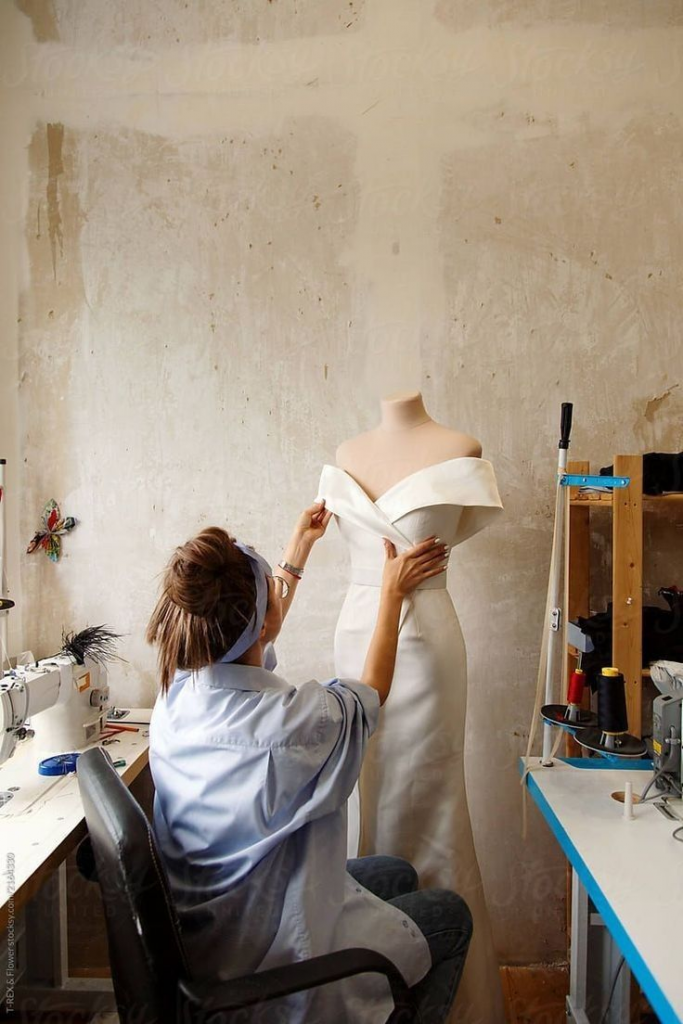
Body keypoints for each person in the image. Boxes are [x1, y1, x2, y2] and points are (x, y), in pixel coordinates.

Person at [147, 500, 473, 1023]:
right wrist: (392, 594)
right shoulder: (292, 724)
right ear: (259, 626)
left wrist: (299, 547)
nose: (277, 597)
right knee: (451, 918)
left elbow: (255, 626)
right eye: (269, 595)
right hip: (263, 963)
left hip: (211, 938)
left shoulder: (176, 695)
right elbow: (372, 691)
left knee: (396, 872)